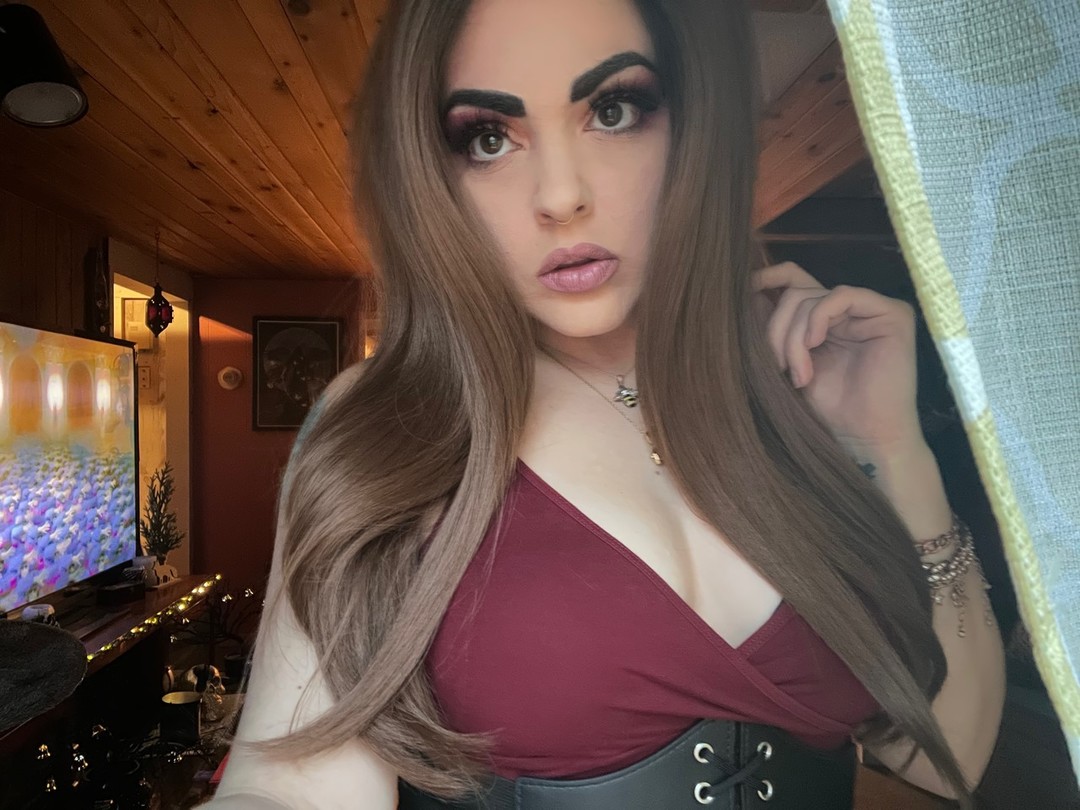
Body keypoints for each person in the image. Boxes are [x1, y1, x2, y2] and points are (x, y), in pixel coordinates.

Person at [203, 0, 1005, 807]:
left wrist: (891, 447)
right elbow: (290, 790)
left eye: (614, 111)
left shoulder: (793, 391)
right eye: (489, 139)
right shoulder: (397, 422)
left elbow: (946, 758)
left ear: (691, 126)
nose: (561, 195)